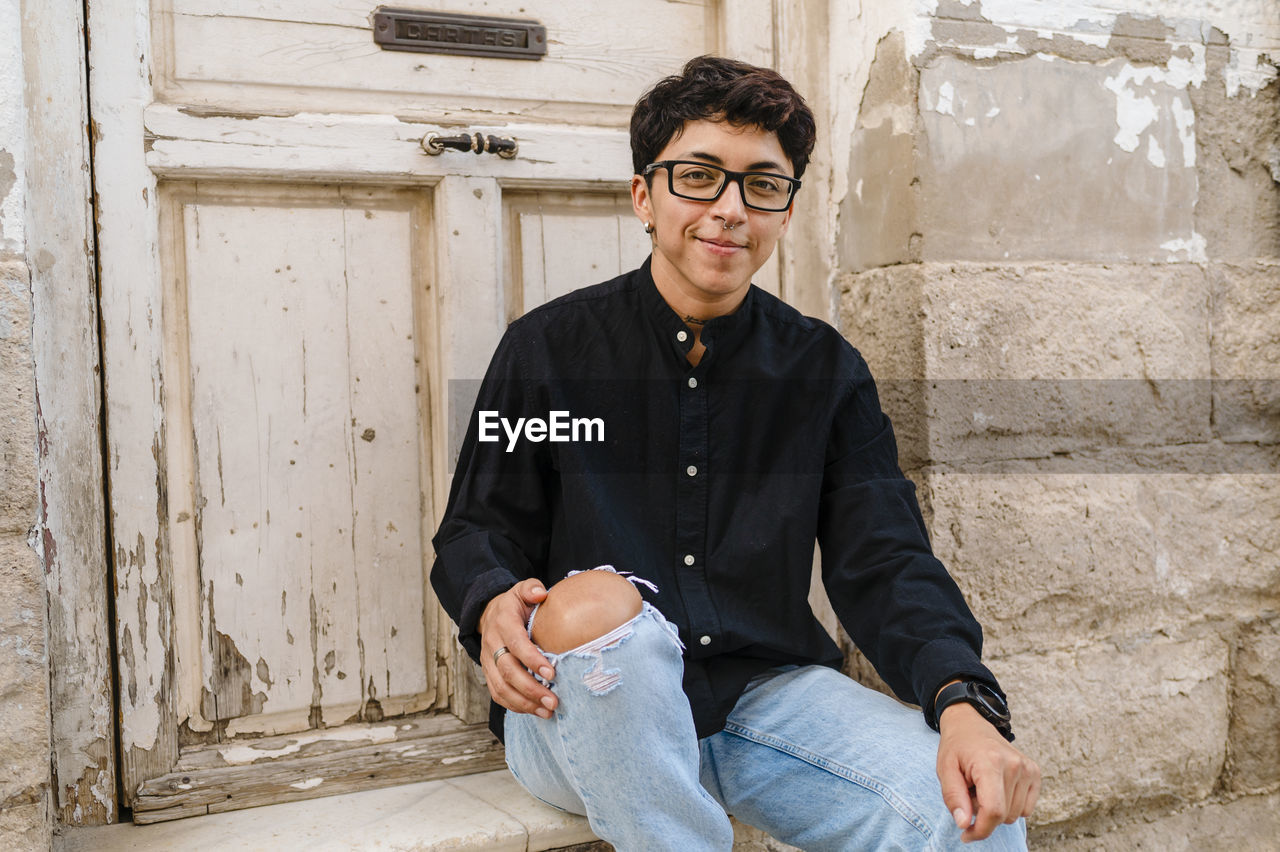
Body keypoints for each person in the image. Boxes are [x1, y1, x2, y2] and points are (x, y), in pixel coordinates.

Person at [431, 55, 1040, 850]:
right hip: (585, 706)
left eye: (760, 184)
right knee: (598, 606)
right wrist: (490, 603)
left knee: (967, 821)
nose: (728, 208)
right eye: (699, 177)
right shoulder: (550, 351)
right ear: (644, 196)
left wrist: (964, 703)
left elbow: (884, 561)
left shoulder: (824, 372)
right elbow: (477, 527)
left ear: (785, 211)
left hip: (759, 701)